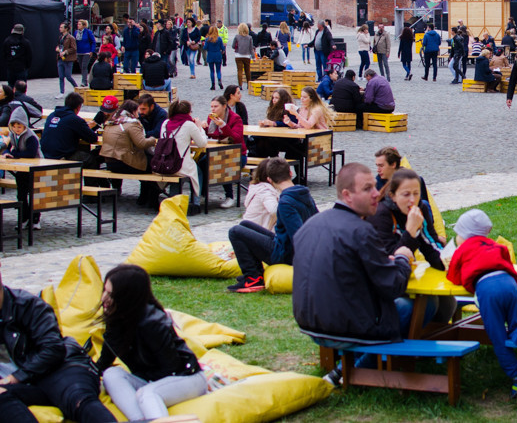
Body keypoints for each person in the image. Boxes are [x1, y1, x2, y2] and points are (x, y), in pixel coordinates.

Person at [291, 163, 414, 383]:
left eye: (375, 187)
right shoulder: (361, 230)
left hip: (307, 320)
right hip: (344, 326)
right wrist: (404, 257)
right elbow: (393, 285)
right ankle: (349, 371)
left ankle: (344, 367)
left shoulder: (311, 223)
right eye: (367, 189)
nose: (377, 193)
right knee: (411, 307)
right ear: (347, 195)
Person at [0, 262, 118, 423]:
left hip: (60, 369)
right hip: (28, 385)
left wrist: (15, 377)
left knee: (79, 401)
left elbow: (53, 349)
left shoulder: (27, 305)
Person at [95, 264, 205, 420]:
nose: (103, 298)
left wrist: (145, 383)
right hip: (150, 379)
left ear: (127, 297)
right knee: (111, 374)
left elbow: (170, 367)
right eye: (104, 290)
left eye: (111, 294)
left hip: (184, 378)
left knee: (147, 394)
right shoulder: (117, 318)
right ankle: (140, 420)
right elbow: (105, 360)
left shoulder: (152, 324)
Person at [446, 209, 517, 398]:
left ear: (466, 235)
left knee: (497, 335)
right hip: (510, 284)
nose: (456, 238)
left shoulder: (462, 250)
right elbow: (508, 264)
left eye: (458, 234)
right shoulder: (496, 246)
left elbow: (453, 276)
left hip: (487, 289)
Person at [228, 156, 318, 292]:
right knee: (245, 225)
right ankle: (256, 274)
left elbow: (298, 235)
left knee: (235, 231)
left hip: (286, 254)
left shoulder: (285, 203)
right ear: (290, 173)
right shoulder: (303, 193)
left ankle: (252, 278)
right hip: (286, 245)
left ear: (269, 179)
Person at [101, 99, 160, 207]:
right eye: (137, 111)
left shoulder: (112, 121)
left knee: (148, 165)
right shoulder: (131, 124)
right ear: (133, 111)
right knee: (155, 164)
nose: (139, 114)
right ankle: (151, 199)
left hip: (110, 162)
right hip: (124, 162)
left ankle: (144, 197)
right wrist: (153, 140)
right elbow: (141, 143)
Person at [158, 100, 207, 213]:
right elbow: (202, 143)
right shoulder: (189, 125)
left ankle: (173, 201)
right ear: (188, 112)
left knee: (177, 174)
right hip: (180, 164)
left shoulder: (165, 123)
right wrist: (199, 128)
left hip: (166, 163)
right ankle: (196, 202)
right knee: (197, 171)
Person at [200, 95, 247, 207]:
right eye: (211, 106)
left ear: (224, 106)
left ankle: (229, 196)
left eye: (216, 106)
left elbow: (237, 138)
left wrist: (223, 126)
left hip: (238, 154)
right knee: (201, 162)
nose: (213, 109)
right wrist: (202, 127)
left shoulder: (235, 118)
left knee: (223, 163)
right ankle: (202, 193)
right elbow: (210, 135)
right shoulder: (211, 119)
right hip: (217, 151)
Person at [1, 107, 42, 227]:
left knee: (36, 194)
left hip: (36, 168)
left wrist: (13, 155)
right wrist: (6, 153)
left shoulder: (31, 137)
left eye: (19, 127)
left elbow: (30, 153)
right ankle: (24, 217)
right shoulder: (13, 135)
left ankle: (35, 219)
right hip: (22, 168)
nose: (16, 129)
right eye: (14, 127)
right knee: (21, 194)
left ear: (25, 126)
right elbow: (8, 147)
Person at [41, 91, 99, 166]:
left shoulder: (51, 115)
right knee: (90, 159)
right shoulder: (74, 119)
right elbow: (93, 138)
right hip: (61, 156)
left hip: (45, 154)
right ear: (78, 107)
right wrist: (88, 127)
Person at [243, 160, 279, 230]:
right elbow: (275, 210)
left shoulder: (257, 187)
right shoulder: (265, 191)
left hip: (248, 229)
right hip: (256, 233)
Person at [56, 21, 78, 95]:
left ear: (66, 29)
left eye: (61, 27)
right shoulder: (60, 37)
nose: (60, 29)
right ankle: (61, 92)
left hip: (68, 59)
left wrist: (66, 52)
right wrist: (58, 49)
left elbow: (74, 48)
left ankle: (76, 87)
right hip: (60, 58)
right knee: (61, 76)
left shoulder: (71, 38)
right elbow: (59, 45)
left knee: (68, 76)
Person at [74, 20, 97, 87]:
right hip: (79, 52)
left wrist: (92, 51)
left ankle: (84, 81)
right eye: (78, 24)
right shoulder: (76, 32)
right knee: (81, 66)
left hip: (86, 52)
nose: (78, 25)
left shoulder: (88, 32)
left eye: (80, 24)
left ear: (83, 25)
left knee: (84, 66)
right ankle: (84, 80)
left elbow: (93, 41)